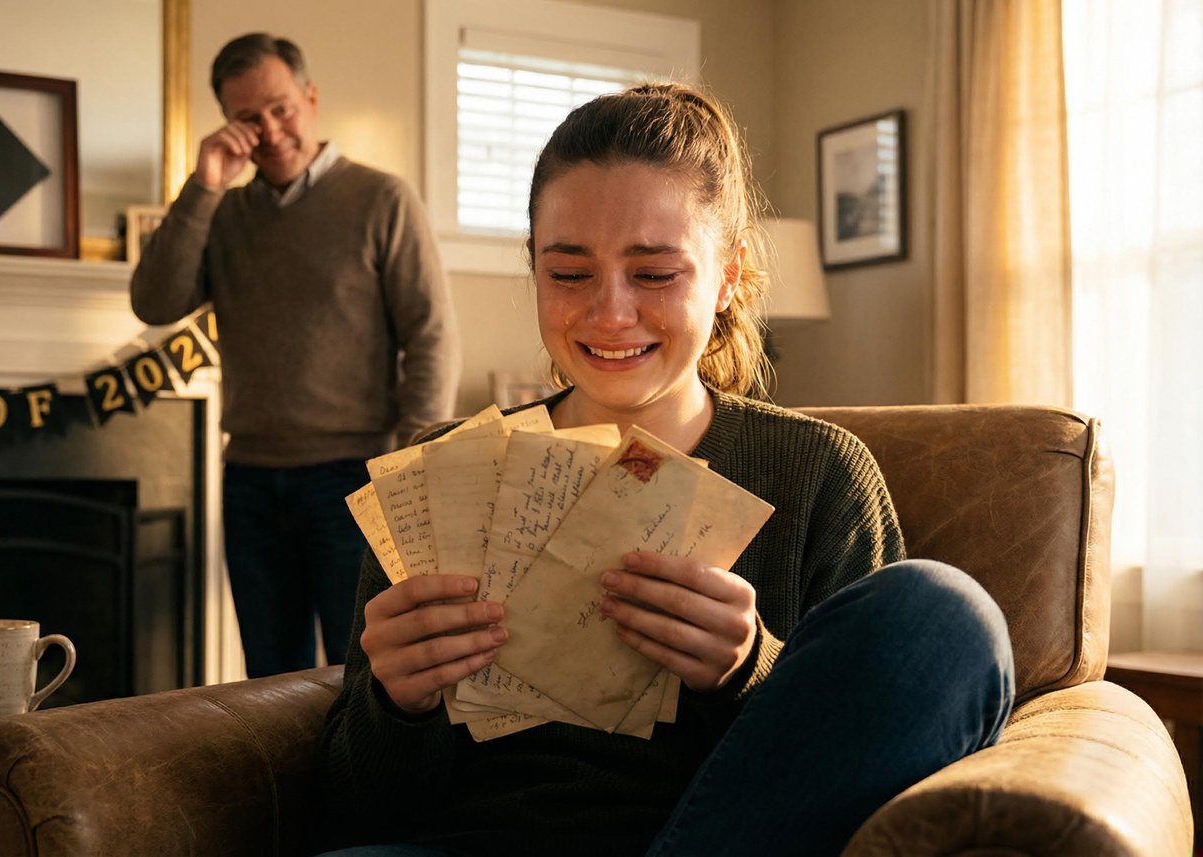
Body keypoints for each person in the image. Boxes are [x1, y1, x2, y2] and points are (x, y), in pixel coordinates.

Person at [315, 83, 1014, 856]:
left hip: (708, 838)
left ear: (728, 278)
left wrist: (749, 670)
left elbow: (864, 759)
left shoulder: (817, 473)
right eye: (570, 273)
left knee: (945, 613)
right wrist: (396, 701)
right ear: (534, 269)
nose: (611, 313)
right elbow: (348, 806)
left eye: (654, 274)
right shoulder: (442, 471)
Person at [130, 33, 459, 678]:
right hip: (251, 477)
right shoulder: (221, 215)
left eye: (281, 108)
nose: (270, 130)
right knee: (270, 680)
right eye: (248, 118)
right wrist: (201, 188)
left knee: (364, 671)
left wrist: (410, 463)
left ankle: (356, 781)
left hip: (354, 475)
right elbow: (155, 301)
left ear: (310, 98)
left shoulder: (382, 199)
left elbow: (430, 334)